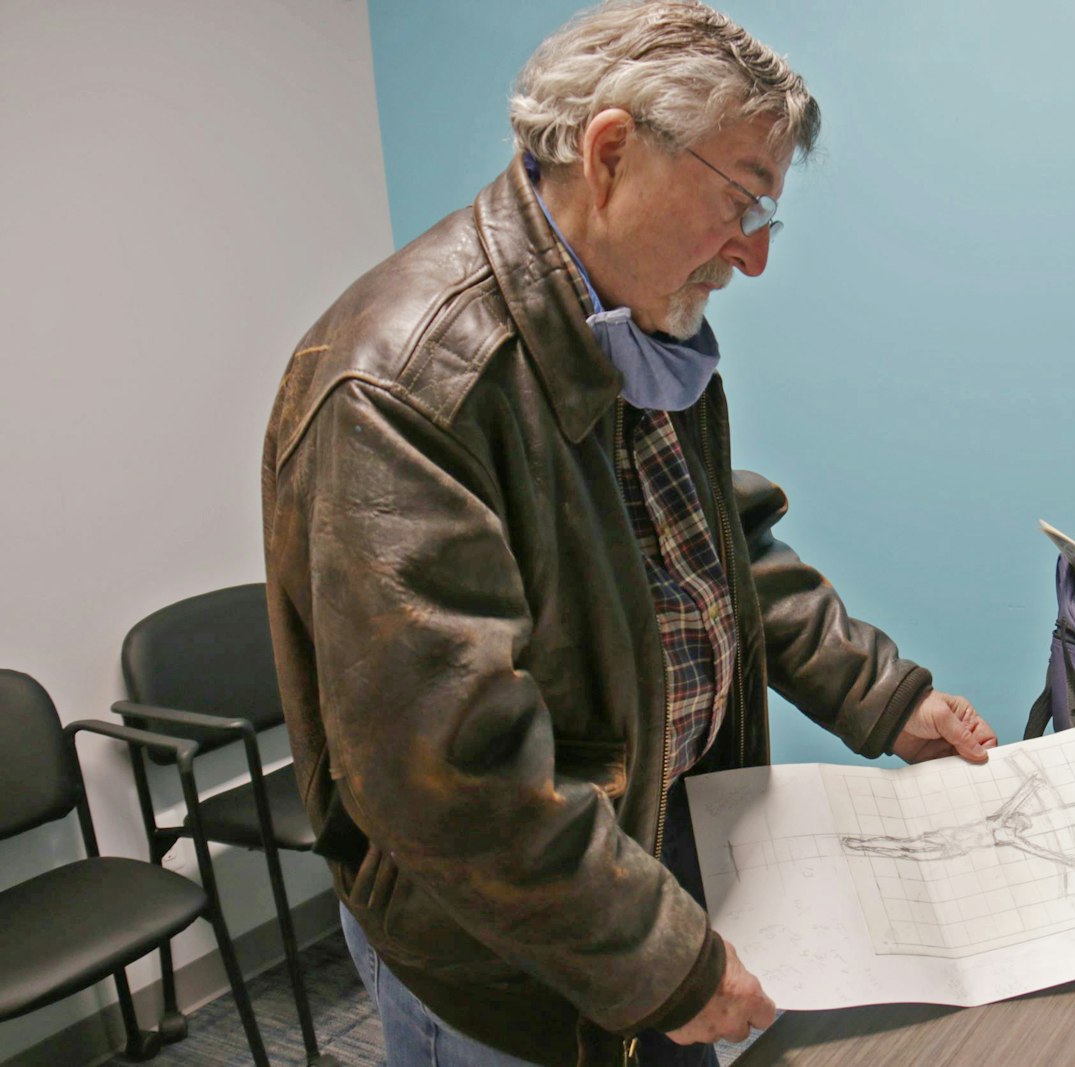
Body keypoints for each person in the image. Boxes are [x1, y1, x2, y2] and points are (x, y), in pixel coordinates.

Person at [260, 3, 998, 1065]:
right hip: (509, 952)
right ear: (609, 153)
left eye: (766, 216)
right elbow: (452, 774)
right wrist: (660, 958)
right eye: (741, 199)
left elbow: (714, 551)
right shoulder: (406, 386)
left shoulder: (633, 315)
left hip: (641, 874)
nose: (750, 257)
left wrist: (884, 694)